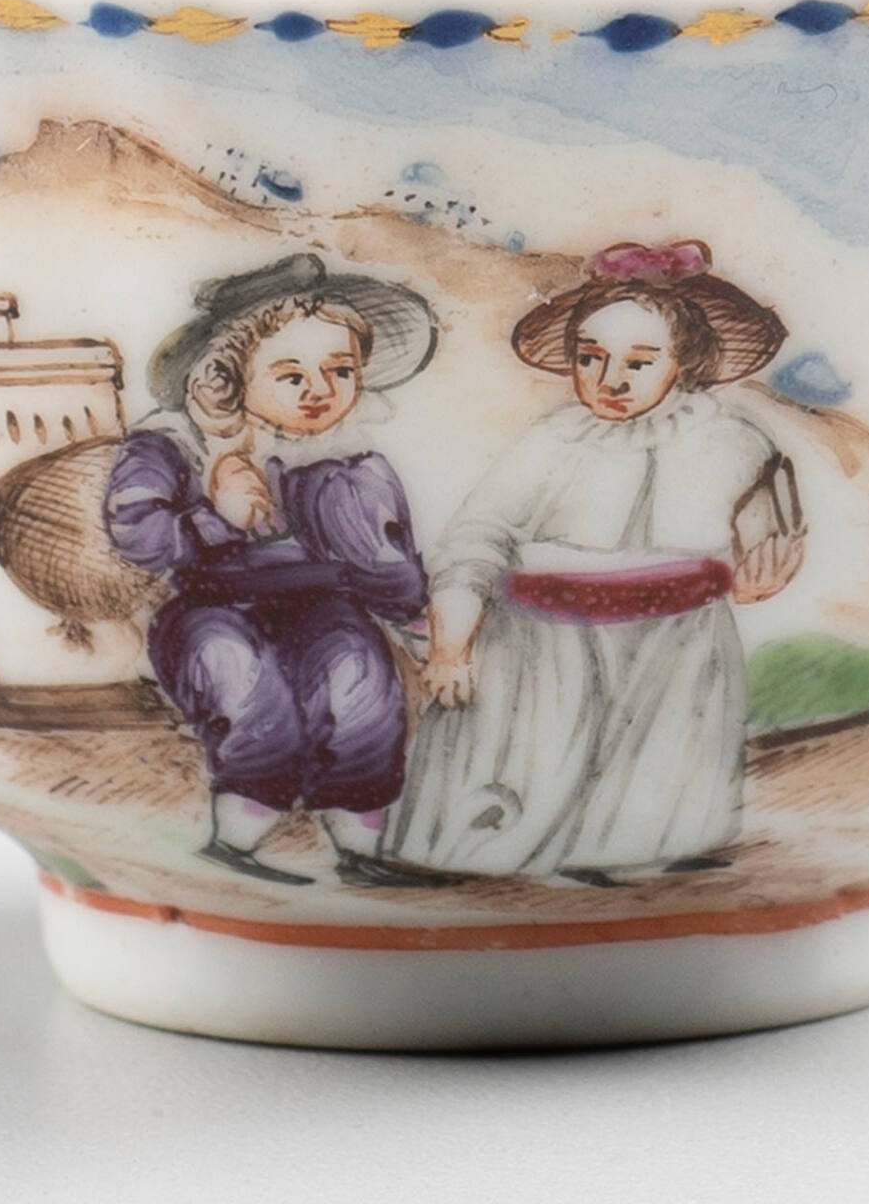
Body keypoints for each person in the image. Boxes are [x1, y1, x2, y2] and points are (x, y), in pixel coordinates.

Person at [386, 240, 804, 883]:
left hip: (677, 655)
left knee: (650, 815)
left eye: (639, 362)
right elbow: (476, 539)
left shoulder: (736, 443)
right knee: (514, 806)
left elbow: (767, 543)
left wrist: (760, 581)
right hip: (544, 652)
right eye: (590, 357)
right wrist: (451, 645)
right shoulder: (553, 442)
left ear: (685, 360)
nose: (610, 380)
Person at [103, 253, 452, 888]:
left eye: (340, 370)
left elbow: (390, 563)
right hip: (213, 605)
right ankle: (235, 841)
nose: (320, 391)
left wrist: (422, 625)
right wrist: (214, 515)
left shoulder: (347, 460)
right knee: (246, 691)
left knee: (361, 692)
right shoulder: (178, 445)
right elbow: (137, 532)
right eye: (292, 375)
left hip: (325, 608)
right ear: (228, 375)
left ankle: (358, 849)